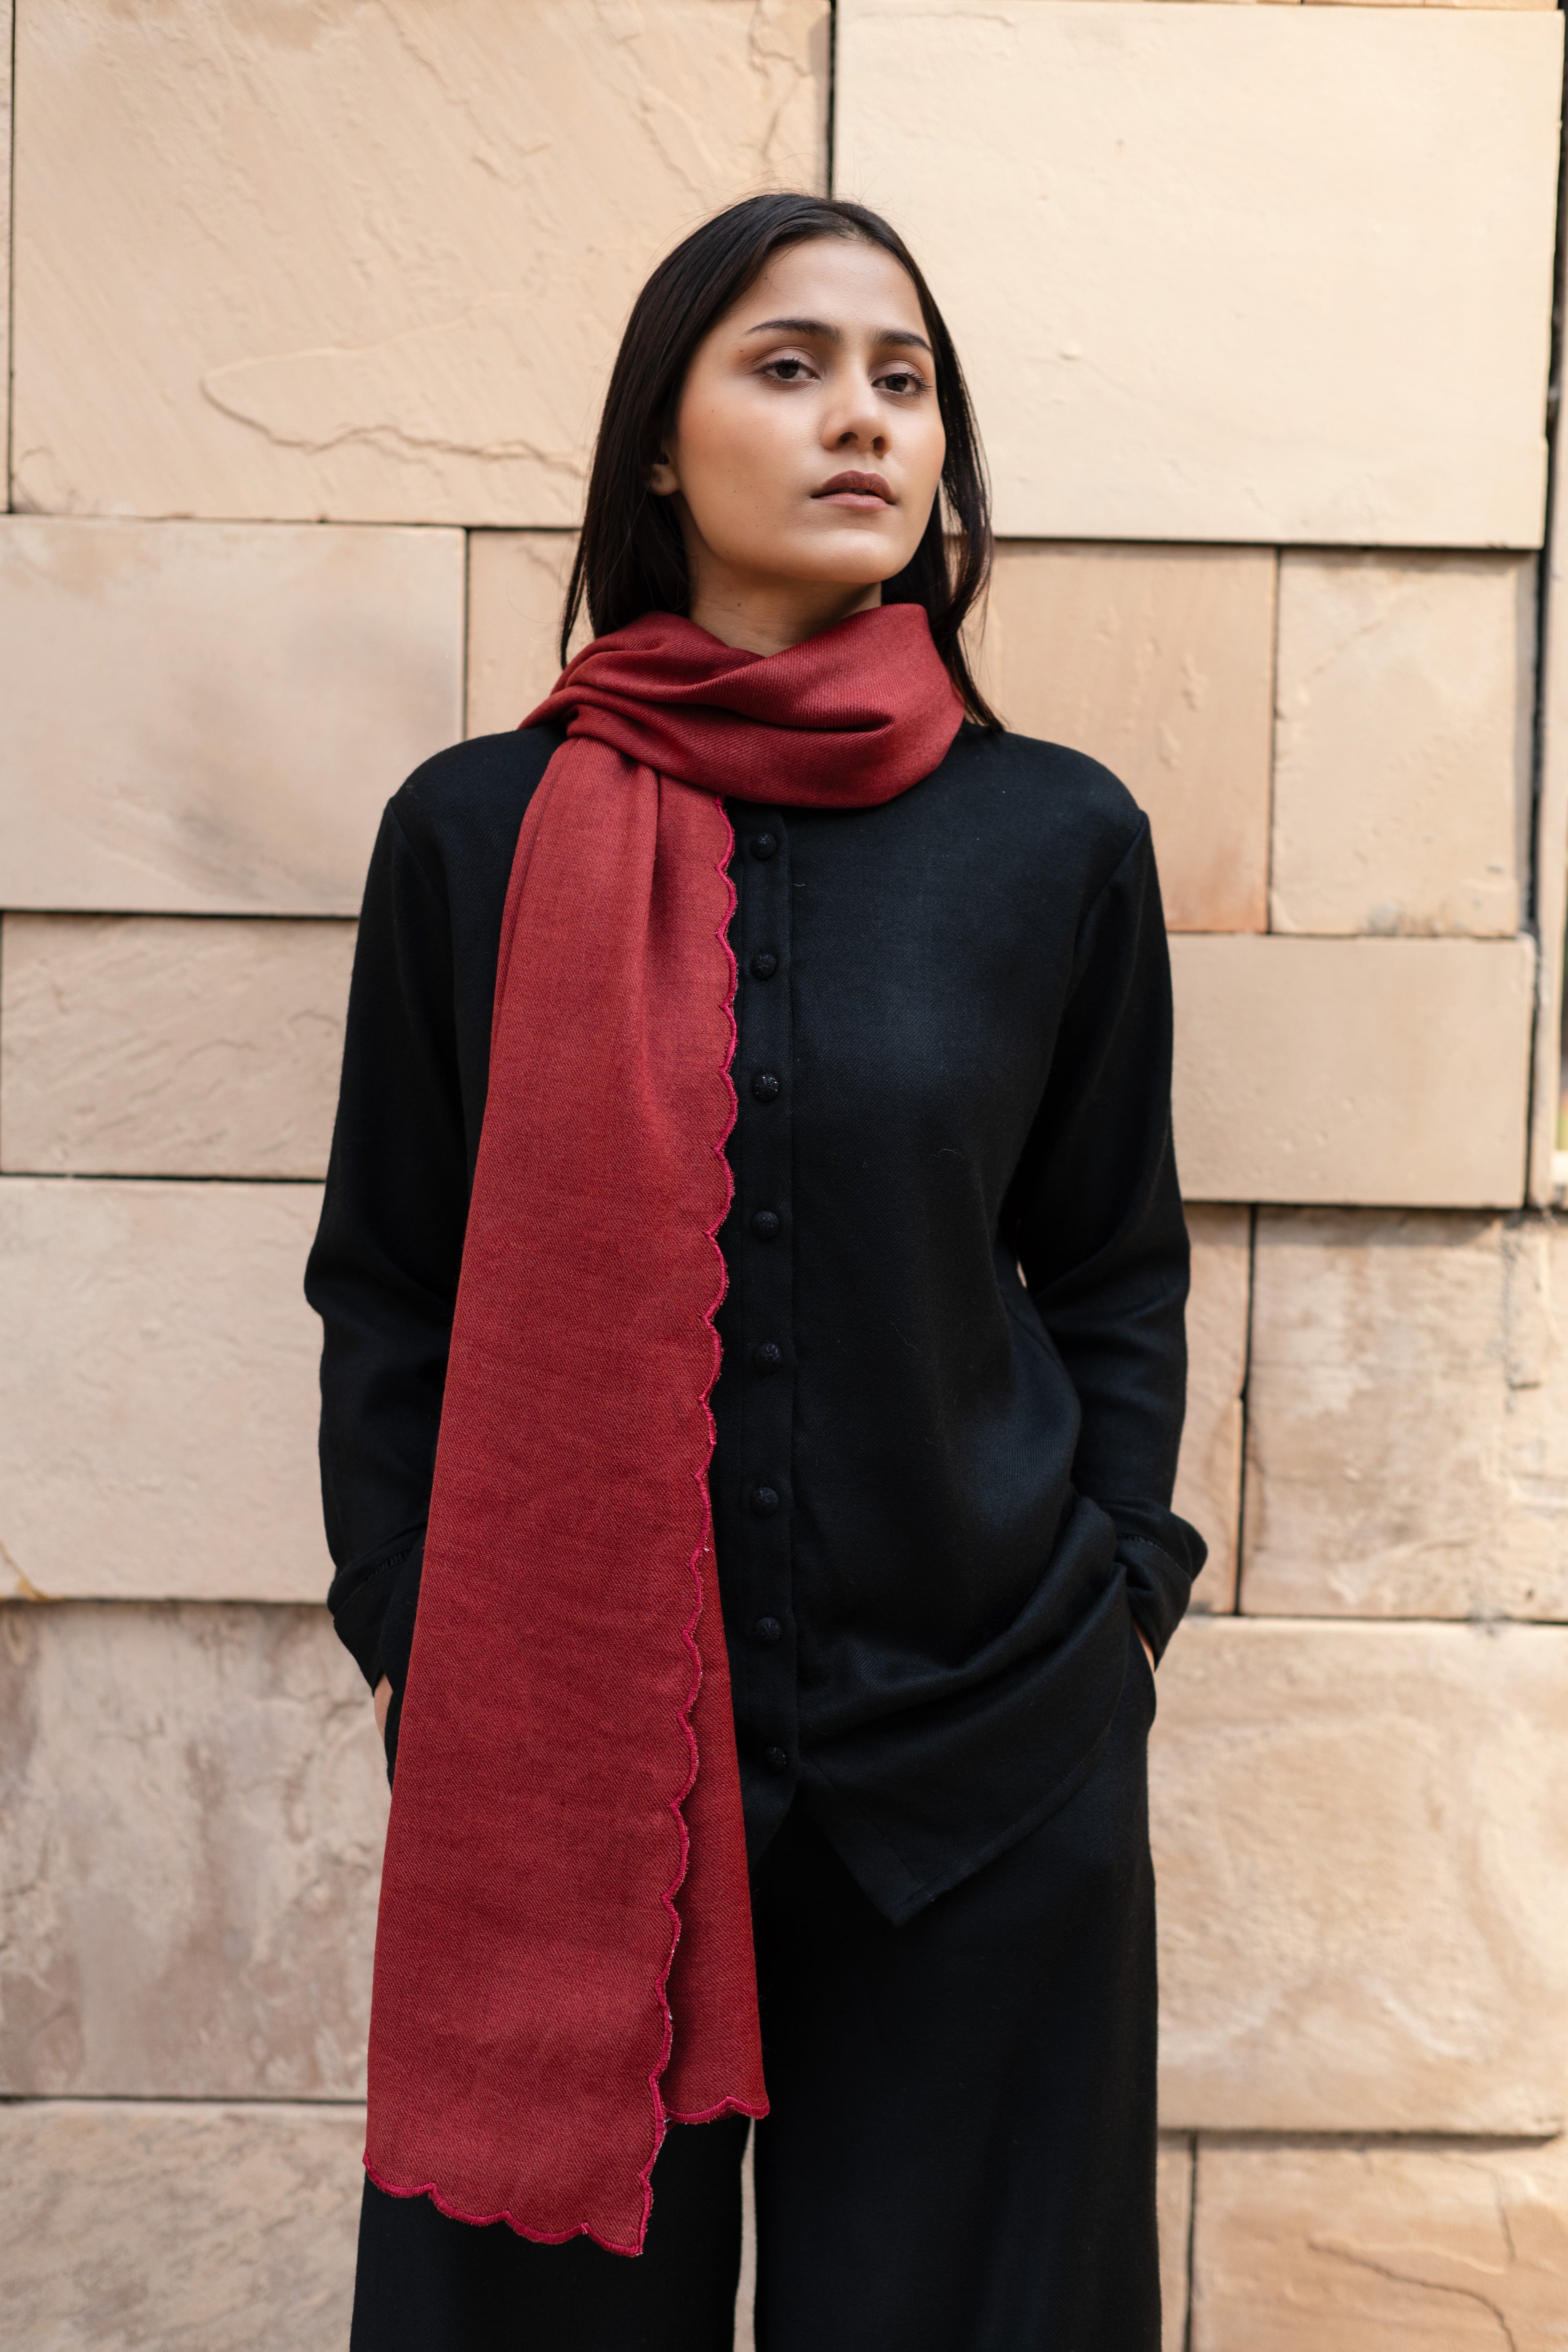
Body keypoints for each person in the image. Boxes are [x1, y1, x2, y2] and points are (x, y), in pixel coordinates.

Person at [306, 189, 1204, 2352]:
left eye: (905, 381)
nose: (861, 420)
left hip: (988, 1759)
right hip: (569, 1769)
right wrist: (422, 1630)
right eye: (789, 367)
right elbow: (394, 1284)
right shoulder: (473, 836)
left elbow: (1112, 1266)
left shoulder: (1057, 839)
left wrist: (1120, 1612)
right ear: (660, 439)